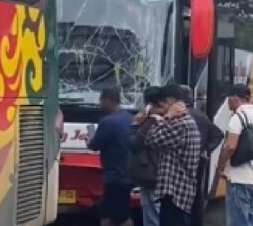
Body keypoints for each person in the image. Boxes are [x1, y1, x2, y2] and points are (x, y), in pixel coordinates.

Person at [146, 84, 201, 226]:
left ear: (170, 101)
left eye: (162, 104)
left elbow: (150, 139)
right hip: (182, 191)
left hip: (175, 193)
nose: (161, 109)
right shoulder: (187, 121)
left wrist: (168, 116)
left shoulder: (178, 124)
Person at [215, 84, 253, 226]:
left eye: (228, 99)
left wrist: (220, 165)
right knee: (251, 220)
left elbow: (230, 147)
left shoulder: (237, 118)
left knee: (238, 221)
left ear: (235, 98)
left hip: (239, 179)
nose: (227, 103)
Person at [86, 87, 135, 226]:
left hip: (115, 177)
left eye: (101, 101)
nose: (99, 104)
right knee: (106, 212)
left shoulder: (107, 122)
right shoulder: (130, 118)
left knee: (121, 216)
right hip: (127, 174)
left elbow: (95, 145)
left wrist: (89, 141)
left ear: (108, 101)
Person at [180, 85, 224, 226]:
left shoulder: (179, 116)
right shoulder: (201, 115)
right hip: (199, 160)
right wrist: (206, 149)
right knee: (197, 193)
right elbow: (218, 134)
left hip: (182, 161)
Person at [129, 86, 163, 226]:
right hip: (157, 171)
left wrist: (135, 124)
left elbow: (135, 142)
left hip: (150, 172)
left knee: (152, 210)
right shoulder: (166, 118)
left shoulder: (150, 121)